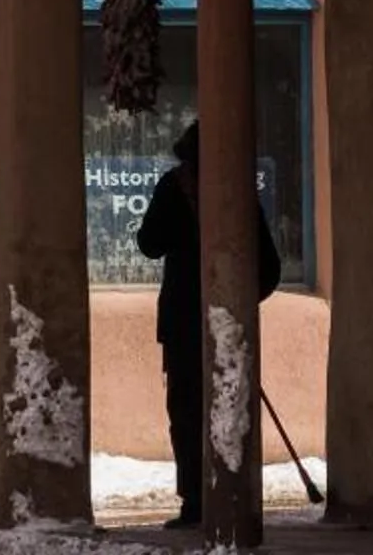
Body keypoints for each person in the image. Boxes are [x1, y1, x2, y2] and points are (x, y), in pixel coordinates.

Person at [134, 120, 282, 530]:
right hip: (223, 321)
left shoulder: (172, 187)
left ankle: (196, 501)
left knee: (186, 413)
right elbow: (269, 268)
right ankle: (231, 491)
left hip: (182, 320)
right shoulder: (237, 195)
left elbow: (148, 244)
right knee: (228, 404)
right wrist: (237, 306)